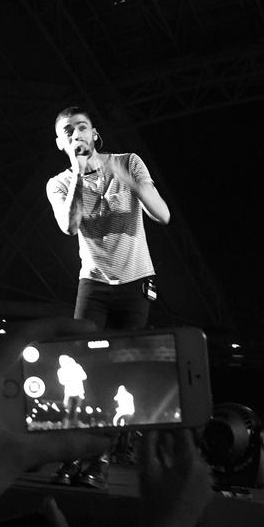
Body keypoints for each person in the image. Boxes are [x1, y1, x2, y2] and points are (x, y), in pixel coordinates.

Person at [46, 106, 171, 486]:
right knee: (80, 371)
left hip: (135, 281)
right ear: (60, 142)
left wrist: (127, 179)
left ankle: (97, 460)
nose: (76, 135)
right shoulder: (58, 183)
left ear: (95, 133)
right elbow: (69, 226)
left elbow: (163, 215)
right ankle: (72, 455)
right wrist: (79, 171)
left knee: (117, 374)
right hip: (94, 283)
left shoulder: (128, 162)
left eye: (81, 127)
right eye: (68, 131)